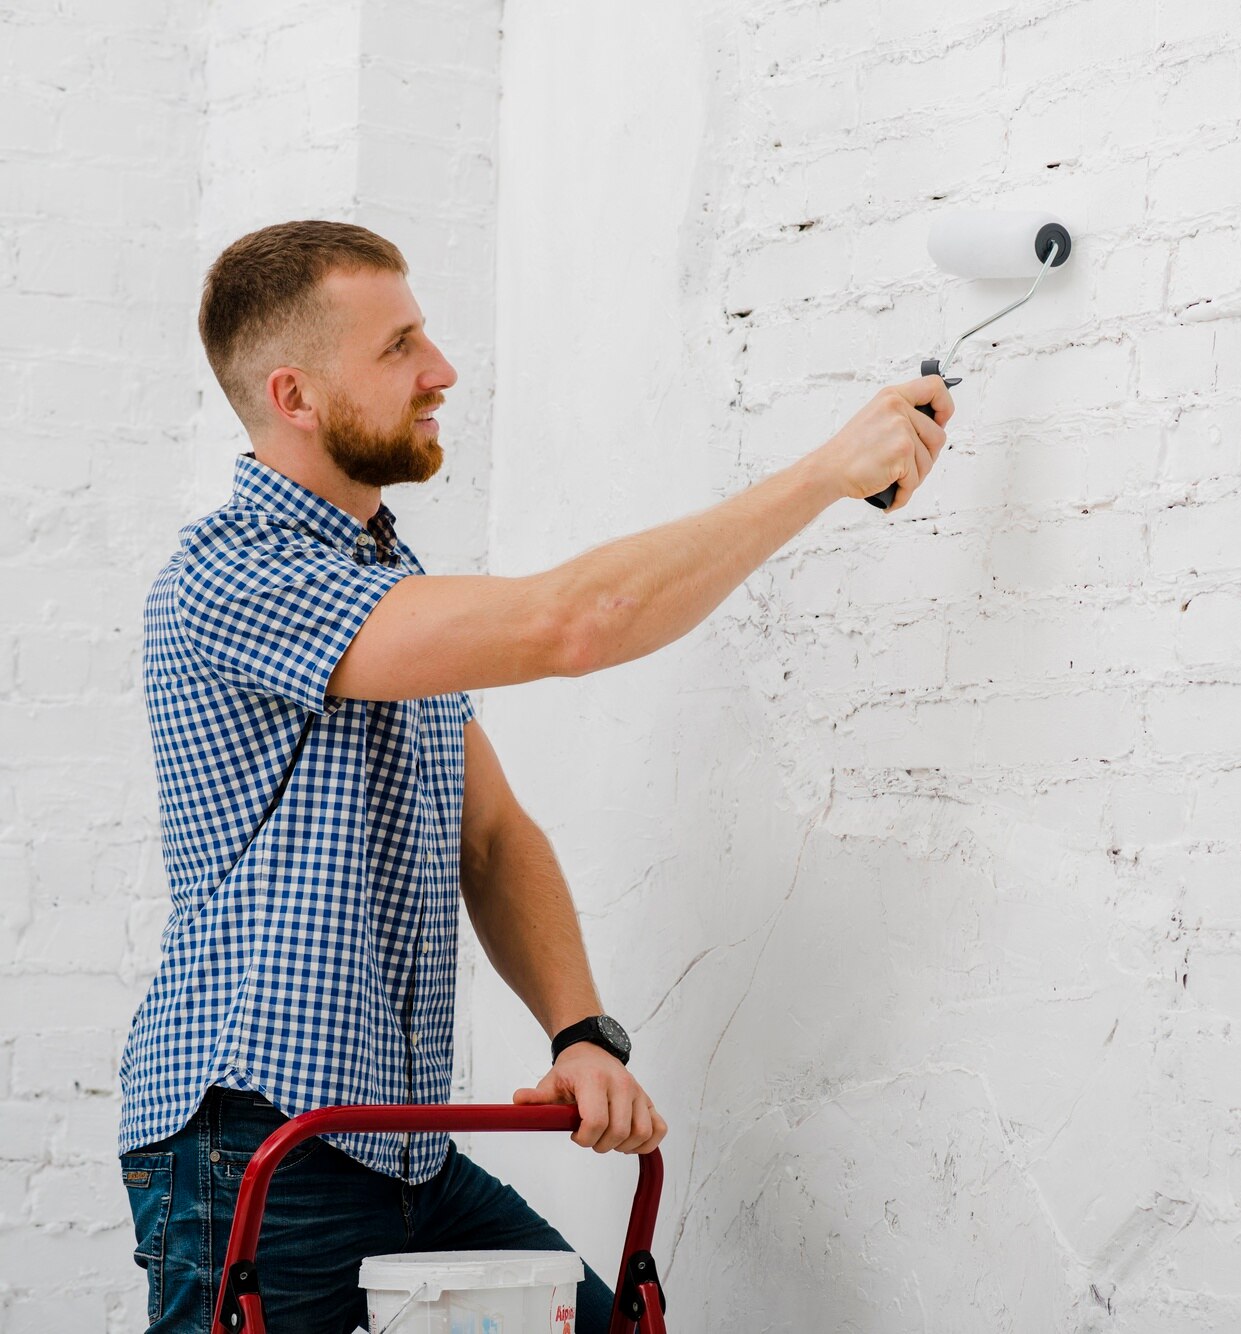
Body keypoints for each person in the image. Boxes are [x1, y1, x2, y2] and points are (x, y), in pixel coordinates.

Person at [115, 219, 953, 1333]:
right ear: (294, 395)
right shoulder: (233, 576)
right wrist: (822, 475)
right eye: (399, 346)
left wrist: (578, 1032)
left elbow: (493, 833)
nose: (441, 370)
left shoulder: (386, 577)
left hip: (403, 1150)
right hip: (260, 1145)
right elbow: (574, 623)